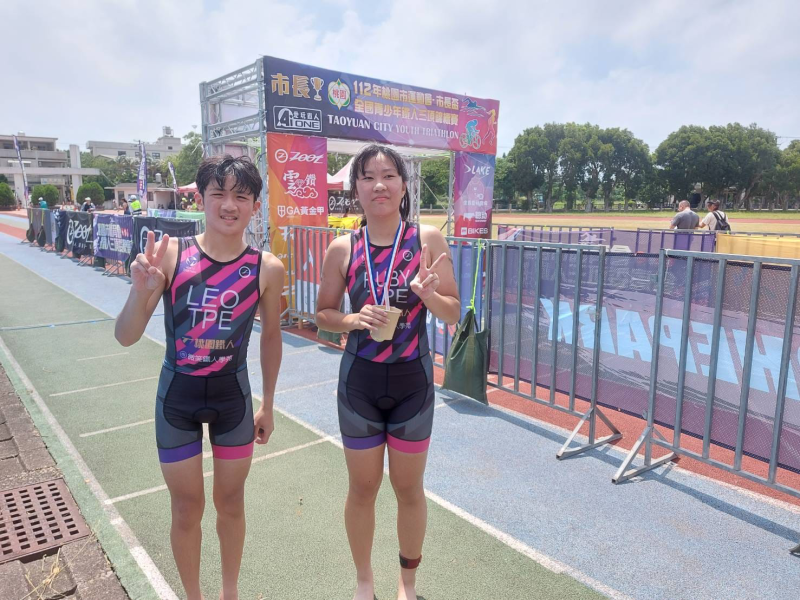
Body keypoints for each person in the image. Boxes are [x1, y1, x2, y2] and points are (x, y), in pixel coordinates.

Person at [114, 155, 285, 600]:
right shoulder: (172, 254)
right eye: (218, 194)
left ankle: (229, 592)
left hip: (233, 400)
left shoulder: (267, 267)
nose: (229, 205)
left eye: (241, 197)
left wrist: (268, 403)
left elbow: (271, 338)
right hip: (177, 399)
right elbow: (126, 336)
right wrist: (138, 291)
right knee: (186, 508)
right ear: (201, 199)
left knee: (231, 503)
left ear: (255, 206)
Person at [316, 144, 460, 600]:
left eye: (389, 176)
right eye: (368, 177)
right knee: (362, 489)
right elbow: (323, 314)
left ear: (403, 185)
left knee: (409, 488)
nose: (379, 185)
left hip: (412, 385)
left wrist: (428, 295)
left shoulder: (427, 240)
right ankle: (364, 581)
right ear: (356, 189)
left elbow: (453, 313)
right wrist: (352, 319)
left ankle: (407, 583)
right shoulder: (342, 247)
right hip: (359, 384)